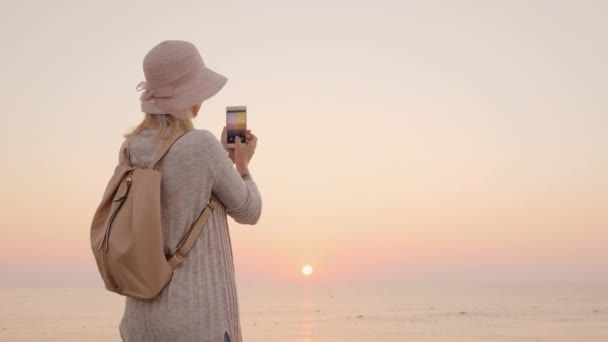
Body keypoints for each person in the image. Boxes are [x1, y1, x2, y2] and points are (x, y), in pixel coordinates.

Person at [117, 40, 262, 342]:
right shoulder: (202, 146)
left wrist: (219, 159)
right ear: (191, 96)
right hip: (198, 323)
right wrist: (242, 165)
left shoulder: (130, 149)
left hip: (142, 322)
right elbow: (250, 210)